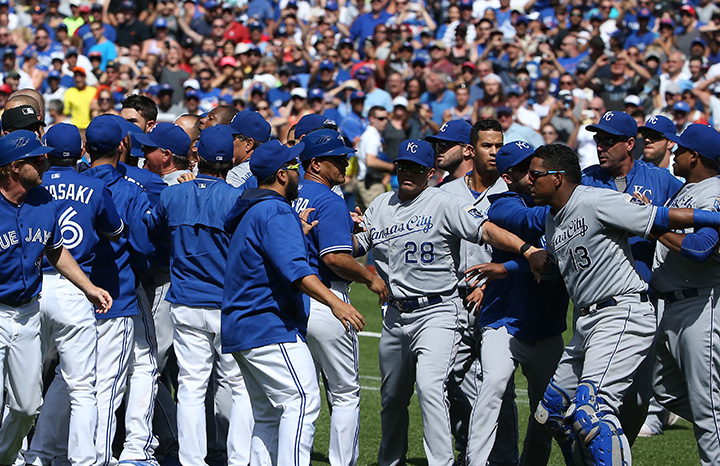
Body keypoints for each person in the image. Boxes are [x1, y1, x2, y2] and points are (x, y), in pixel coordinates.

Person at [355, 138, 546, 466]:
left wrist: (526, 250)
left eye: (416, 168)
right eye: (403, 166)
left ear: (430, 172)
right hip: (395, 315)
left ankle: (441, 462)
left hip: (438, 312)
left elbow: (486, 231)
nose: (408, 173)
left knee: (430, 388)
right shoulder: (381, 205)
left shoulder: (443, 203)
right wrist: (336, 229)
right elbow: (357, 246)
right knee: (391, 398)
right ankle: (390, 461)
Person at [530, 143, 720, 466]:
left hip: (621, 312)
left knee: (593, 411)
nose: (528, 181)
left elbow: (662, 216)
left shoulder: (595, 200)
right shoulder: (552, 220)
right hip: (587, 323)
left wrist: (712, 218)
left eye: (535, 175)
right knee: (551, 412)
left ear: (558, 178)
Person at [222, 139, 365, 466]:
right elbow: (298, 273)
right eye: (292, 167)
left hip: (242, 325)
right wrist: (336, 303)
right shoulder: (274, 211)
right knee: (302, 400)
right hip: (267, 323)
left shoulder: (254, 208)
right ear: (282, 176)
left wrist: (295, 230)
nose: (298, 172)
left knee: (269, 414)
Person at [0, 130, 111, 466]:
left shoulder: (43, 200)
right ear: (15, 167)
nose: (45, 162)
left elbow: (55, 250)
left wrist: (88, 287)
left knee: (26, 407)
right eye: (37, 159)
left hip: (28, 312)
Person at [144, 124, 252, 466]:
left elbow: (153, 230)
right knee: (236, 384)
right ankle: (238, 457)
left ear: (197, 156)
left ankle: (192, 460)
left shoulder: (174, 193)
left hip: (187, 299)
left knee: (191, 385)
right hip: (227, 303)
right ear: (230, 160)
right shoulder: (237, 199)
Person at [24, 123, 123, 466]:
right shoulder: (94, 186)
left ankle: (29, 455)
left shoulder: (31, 187)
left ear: (44, 155)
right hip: (75, 285)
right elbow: (115, 230)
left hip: (33, 287)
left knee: (24, 382)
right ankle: (83, 460)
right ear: (81, 152)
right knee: (81, 387)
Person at [464, 141, 568, 466]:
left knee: (546, 409)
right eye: (526, 169)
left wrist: (508, 267)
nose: (533, 173)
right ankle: (475, 462)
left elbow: (555, 260)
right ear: (509, 177)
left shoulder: (556, 201)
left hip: (547, 325)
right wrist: (569, 204)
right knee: (492, 386)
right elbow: (531, 222)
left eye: (537, 166)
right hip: (503, 321)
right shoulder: (502, 204)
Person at [291, 128, 388, 466]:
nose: (345, 163)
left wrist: (365, 237)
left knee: (300, 395)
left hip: (290, 301)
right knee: (345, 393)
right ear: (315, 163)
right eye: (337, 158)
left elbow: (328, 247)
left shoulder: (286, 191)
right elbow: (334, 258)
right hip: (327, 300)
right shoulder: (329, 199)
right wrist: (369, 277)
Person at [82, 115, 156, 466]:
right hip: (118, 294)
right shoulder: (131, 189)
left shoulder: (73, 183)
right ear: (123, 146)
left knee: (73, 385)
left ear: (85, 148)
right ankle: (99, 456)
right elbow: (144, 246)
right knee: (109, 385)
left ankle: (49, 451)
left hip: (74, 294)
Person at [650, 124, 720, 466]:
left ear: (696, 156)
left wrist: (655, 227)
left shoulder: (714, 192)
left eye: (681, 149)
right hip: (672, 305)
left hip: (701, 305)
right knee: (663, 389)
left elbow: (700, 248)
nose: (674, 153)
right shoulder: (685, 192)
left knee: (708, 408)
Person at [355, 105, 394, 211]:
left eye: (386, 118)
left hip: (365, 182)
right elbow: (371, 161)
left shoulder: (367, 135)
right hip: (371, 185)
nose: (385, 121)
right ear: (371, 119)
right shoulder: (372, 136)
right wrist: (392, 167)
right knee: (378, 216)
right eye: (381, 118)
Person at [225, 110, 271, 188]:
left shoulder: (234, 176)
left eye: (232, 137)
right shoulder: (275, 165)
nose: (227, 140)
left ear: (248, 144)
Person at [426, 119, 474, 186]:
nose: (439, 148)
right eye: (438, 144)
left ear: (467, 150)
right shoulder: (439, 189)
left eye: (445, 144)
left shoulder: (483, 188)